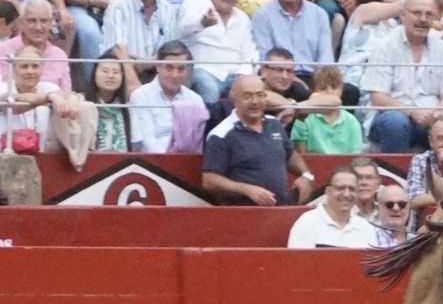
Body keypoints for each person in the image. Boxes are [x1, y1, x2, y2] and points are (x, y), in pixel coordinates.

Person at [364, 0, 443, 151]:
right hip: (395, 115)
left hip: (432, 118)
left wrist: (438, 113)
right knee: (395, 122)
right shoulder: (384, 46)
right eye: (417, 13)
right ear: (403, 15)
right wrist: (412, 112)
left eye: (429, 14)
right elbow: (378, 97)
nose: (423, 19)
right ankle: (394, 174)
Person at [202, 73, 316, 206]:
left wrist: (306, 175)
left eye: (259, 95)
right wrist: (246, 190)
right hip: (244, 214)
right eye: (247, 96)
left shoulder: (274, 124)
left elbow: (290, 154)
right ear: (235, 99)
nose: (255, 101)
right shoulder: (221, 134)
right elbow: (209, 180)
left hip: (281, 211)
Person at [128, 40, 207, 153]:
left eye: (181, 69)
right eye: (169, 68)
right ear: (158, 67)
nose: (175, 75)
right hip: (152, 163)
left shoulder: (195, 100)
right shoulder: (140, 96)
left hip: (187, 162)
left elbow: (197, 145)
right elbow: (147, 143)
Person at [287, 168, 383, 248]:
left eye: (352, 189)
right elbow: (297, 265)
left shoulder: (366, 228)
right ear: (328, 192)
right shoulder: (307, 222)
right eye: (340, 188)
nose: (346, 194)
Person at [291, 66, 365, 154]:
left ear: (341, 88)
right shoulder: (305, 117)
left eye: (334, 87)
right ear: (314, 91)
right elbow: (300, 151)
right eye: (322, 88)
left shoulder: (351, 121)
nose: (329, 92)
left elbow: (354, 155)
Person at [372, 180, 411, 245]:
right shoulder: (369, 239)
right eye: (389, 204)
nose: (396, 208)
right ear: (378, 207)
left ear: (408, 207)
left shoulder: (418, 241)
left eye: (402, 204)